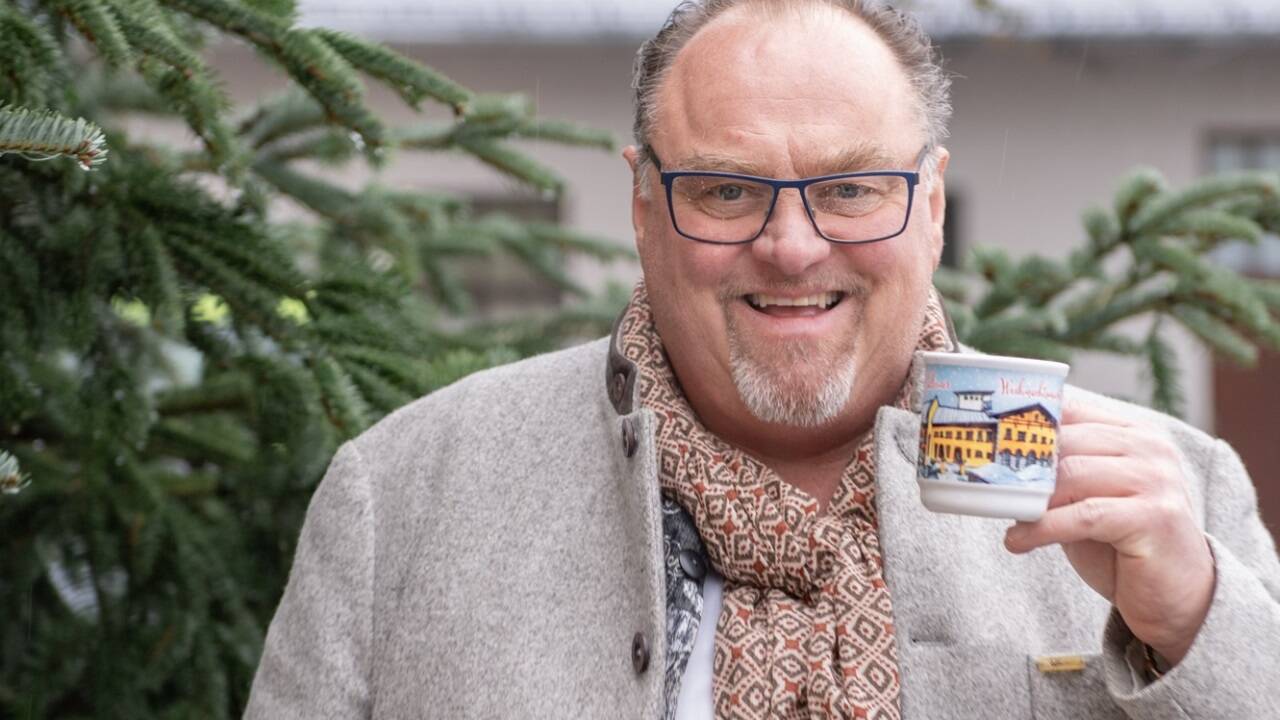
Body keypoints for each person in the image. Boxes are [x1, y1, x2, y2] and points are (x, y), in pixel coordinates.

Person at [243, 1, 1280, 718]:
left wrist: (1195, 633)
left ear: (929, 203)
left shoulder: (1171, 503)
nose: (791, 247)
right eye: (727, 190)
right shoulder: (402, 500)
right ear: (643, 204)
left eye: (851, 189)